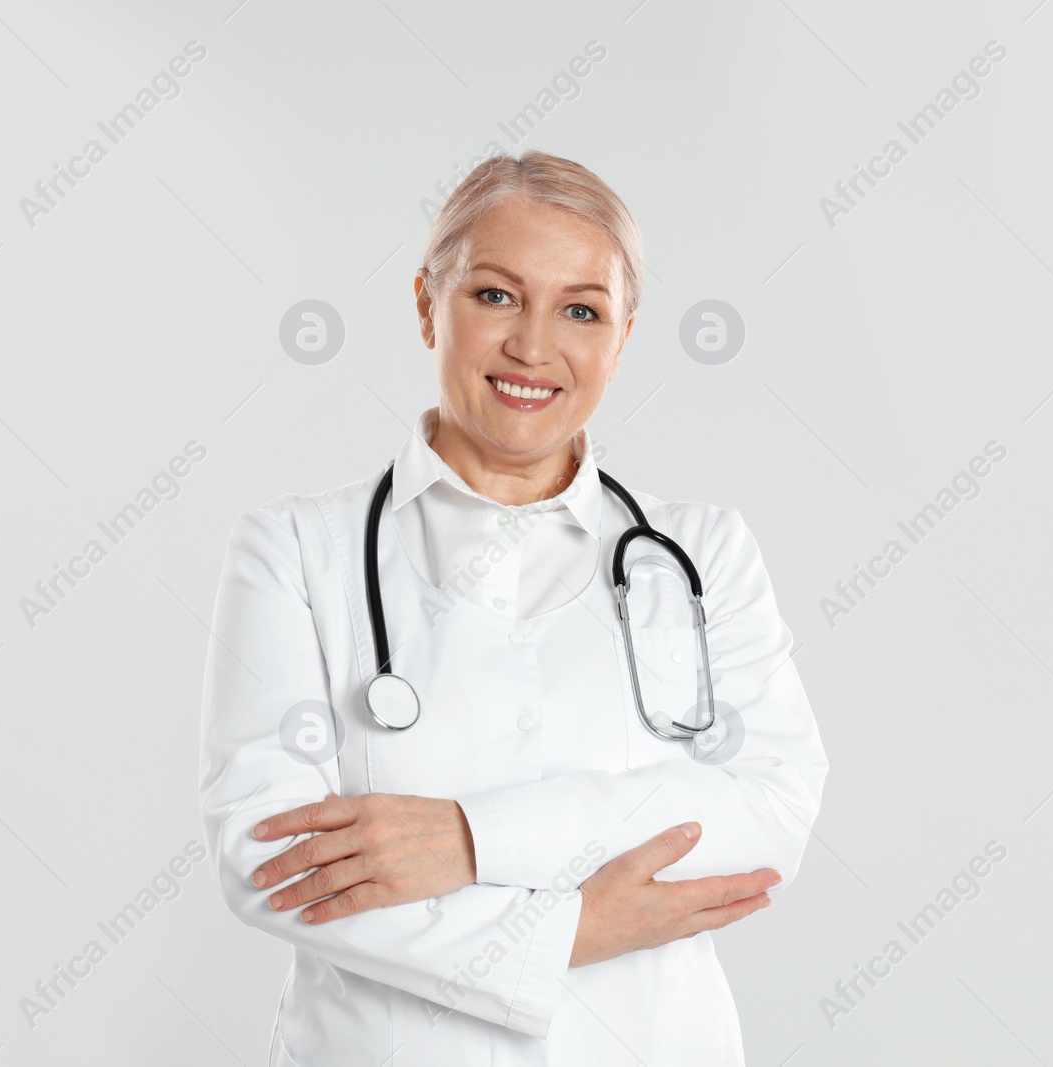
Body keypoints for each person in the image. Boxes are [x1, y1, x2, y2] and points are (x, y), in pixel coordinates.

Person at [199, 150, 828, 1065]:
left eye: (581, 309)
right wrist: (577, 929)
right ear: (426, 304)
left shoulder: (703, 555)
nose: (534, 346)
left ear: (623, 334)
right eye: (494, 295)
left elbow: (767, 809)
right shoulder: (295, 552)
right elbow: (272, 861)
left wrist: (465, 837)